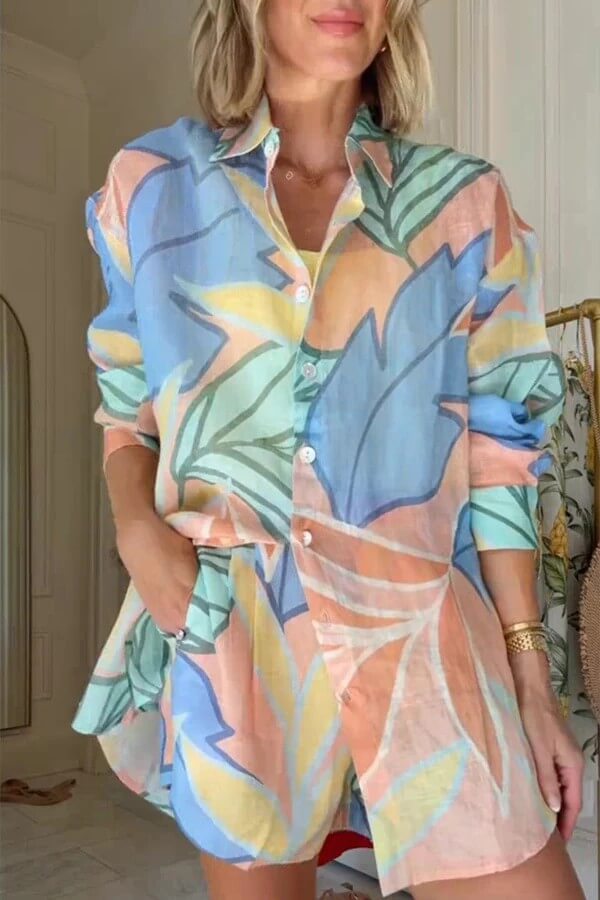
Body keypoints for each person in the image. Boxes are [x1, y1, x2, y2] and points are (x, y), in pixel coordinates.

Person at [73, 1, 586, 898]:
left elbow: (500, 461)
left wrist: (532, 685)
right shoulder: (150, 186)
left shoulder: (466, 204)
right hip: (238, 634)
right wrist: (137, 534)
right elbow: (128, 406)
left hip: (425, 634)